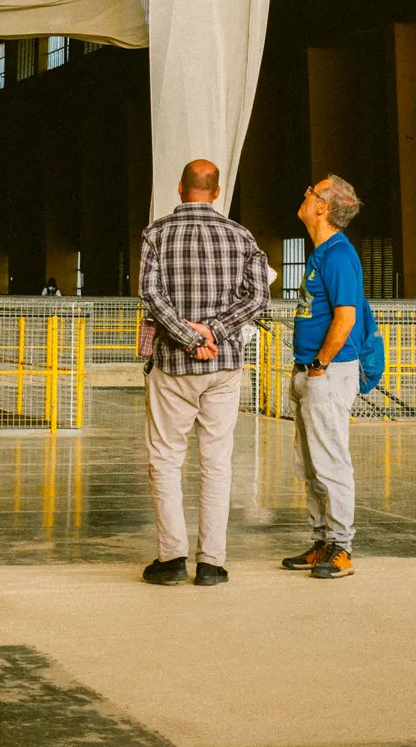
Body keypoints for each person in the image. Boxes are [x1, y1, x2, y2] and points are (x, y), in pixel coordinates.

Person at [138, 157, 270, 587]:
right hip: (224, 367)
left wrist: (188, 336)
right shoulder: (242, 236)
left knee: (166, 458)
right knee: (216, 462)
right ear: (216, 192)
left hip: (173, 368)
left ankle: (171, 558)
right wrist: (213, 331)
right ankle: (211, 563)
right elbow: (259, 298)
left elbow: (151, 295)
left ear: (180, 188)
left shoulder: (155, 233)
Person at [282, 174, 364, 581]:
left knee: (330, 460)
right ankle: (322, 541)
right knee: (310, 463)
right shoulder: (318, 254)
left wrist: (320, 365)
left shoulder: (338, 255)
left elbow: (346, 317)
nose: (304, 193)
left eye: (310, 190)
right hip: (308, 371)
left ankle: (342, 547)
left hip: (325, 374)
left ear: (322, 207)